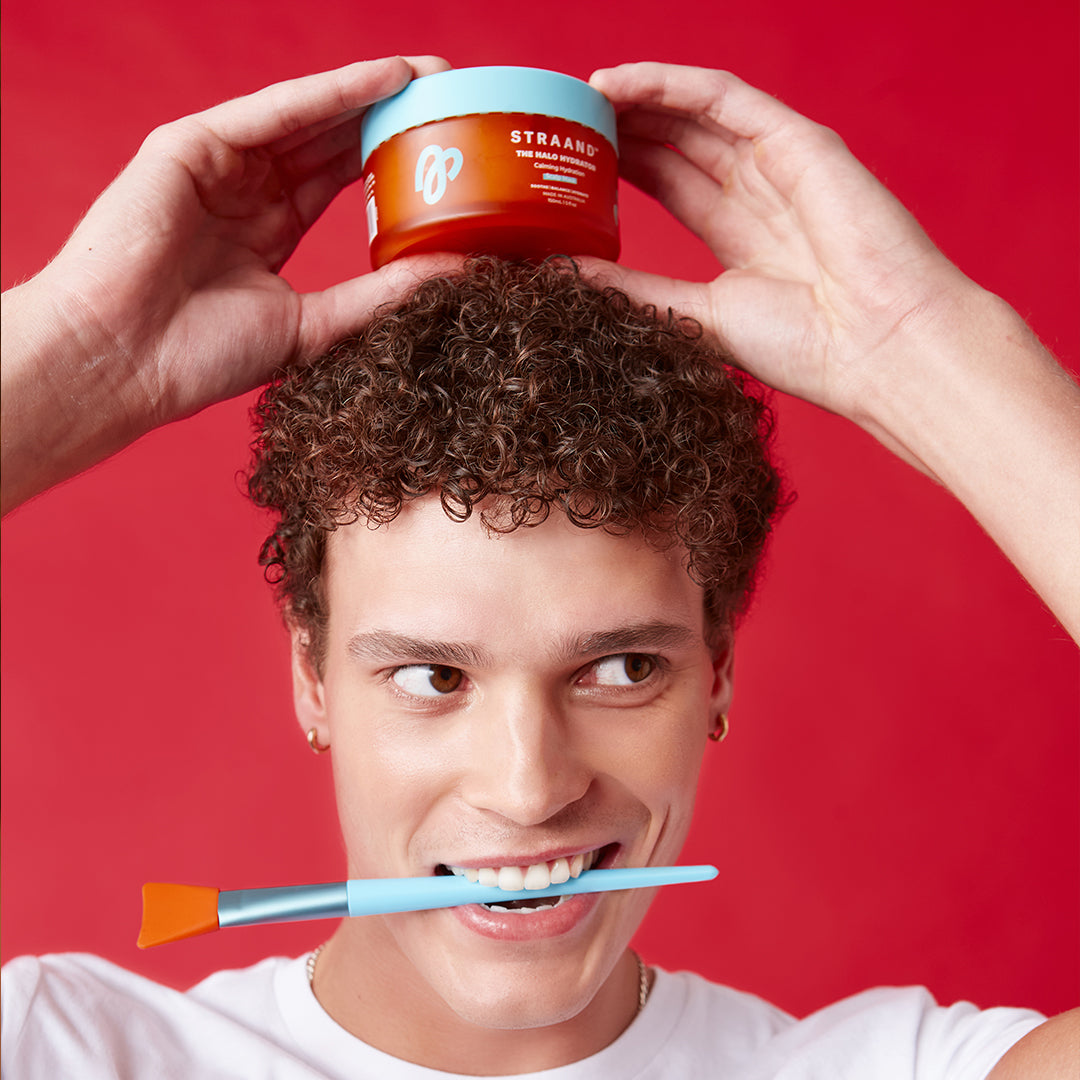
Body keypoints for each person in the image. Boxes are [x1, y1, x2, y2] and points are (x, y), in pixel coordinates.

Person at [1, 56, 1077, 1077]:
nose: (528, 790)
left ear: (718, 673)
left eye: (618, 669)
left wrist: (914, 348)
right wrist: (77, 359)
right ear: (313, 681)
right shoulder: (70, 1054)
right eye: (433, 677)